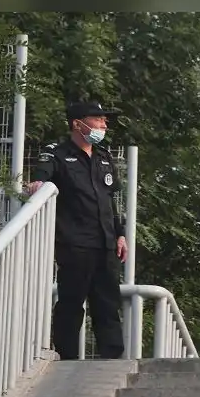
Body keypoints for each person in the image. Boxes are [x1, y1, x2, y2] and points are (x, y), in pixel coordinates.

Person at [26, 100, 127, 361]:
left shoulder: (104, 156)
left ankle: (112, 360)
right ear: (77, 123)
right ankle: (65, 358)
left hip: (106, 243)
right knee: (71, 304)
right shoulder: (56, 153)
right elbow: (42, 178)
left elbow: (111, 201)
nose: (104, 124)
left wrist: (120, 234)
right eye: (98, 119)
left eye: (105, 120)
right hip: (74, 243)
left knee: (108, 304)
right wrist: (37, 184)